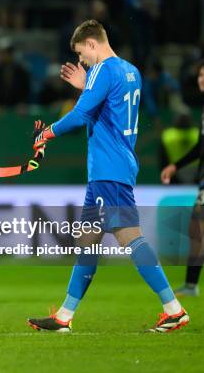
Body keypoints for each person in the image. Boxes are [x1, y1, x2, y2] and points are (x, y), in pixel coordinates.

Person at [28, 19, 188, 333]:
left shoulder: (102, 70)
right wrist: (86, 85)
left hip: (108, 168)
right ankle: (64, 316)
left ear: (92, 43)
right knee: (87, 240)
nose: (81, 61)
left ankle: (174, 309)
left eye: (81, 53)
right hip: (117, 164)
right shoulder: (131, 71)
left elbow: (81, 114)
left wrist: (48, 132)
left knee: (130, 236)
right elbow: (106, 106)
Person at [160, 56, 204, 297]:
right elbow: (201, 146)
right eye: (201, 75)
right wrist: (175, 166)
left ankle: (191, 285)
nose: (203, 79)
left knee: (196, 227)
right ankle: (191, 285)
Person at [122, 0, 162, 70]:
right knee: (136, 42)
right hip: (135, 17)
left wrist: (153, 4)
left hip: (147, 19)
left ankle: (146, 66)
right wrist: (138, 4)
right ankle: (136, 66)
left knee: (148, 43)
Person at [0, 37, 30, 112]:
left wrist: (23, 103)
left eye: (4, 53)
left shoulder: (22, 70)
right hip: (0, 109)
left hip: (18, 108)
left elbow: (26, 89)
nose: (1, 55)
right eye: (0, 53)